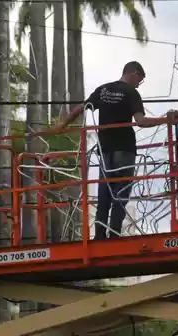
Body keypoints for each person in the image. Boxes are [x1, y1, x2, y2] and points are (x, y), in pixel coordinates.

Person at [56, 61, 163, 239]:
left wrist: (62, 124)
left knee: (105, 194)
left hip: (105, 149)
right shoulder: (131, 92)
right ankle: (113, 235)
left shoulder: (103, 90)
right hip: (125, 149)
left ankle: (99, 236)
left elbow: (81, 108)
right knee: (120, 194)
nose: (138, 84)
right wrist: (164, 120)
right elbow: (140, 121)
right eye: (140, 80)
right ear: (133, 74)